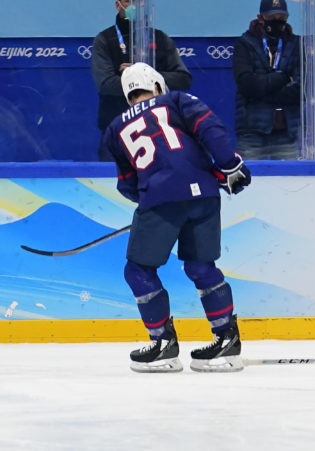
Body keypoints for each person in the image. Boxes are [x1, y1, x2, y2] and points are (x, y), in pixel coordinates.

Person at [100, 62, 251, 373]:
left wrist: (150, 202)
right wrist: (229, 166)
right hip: (205, 195)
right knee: (201, 266)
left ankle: (163, 346)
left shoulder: (115, 128)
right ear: (157, 86)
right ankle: (227, 341)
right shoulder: (178, 100)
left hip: (159, 199)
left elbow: (127, 183)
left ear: (128, 96)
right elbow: (210, 130)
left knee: (138, 271)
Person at [92, 0, 192, 161]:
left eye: (138, 1)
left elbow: (183, 79)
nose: (134, 5)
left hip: (158, 129)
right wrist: (135, 77)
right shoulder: (104, 39)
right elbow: (105, 84)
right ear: (118, 5)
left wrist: (145, 74)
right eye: (128, 1)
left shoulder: (160, 38)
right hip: (117, 129)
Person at [233, 0, 301, 160]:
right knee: (249, 181)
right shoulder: (244, 44)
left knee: (291, 182)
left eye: (282, 16)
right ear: (261, 17)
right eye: (273, 16)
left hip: (287, 132)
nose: (278, 21)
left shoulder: (296, 44)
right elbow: (247, 85)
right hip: (252, 131)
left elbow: (301, 88)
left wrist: (262, 90)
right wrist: (284, 78)